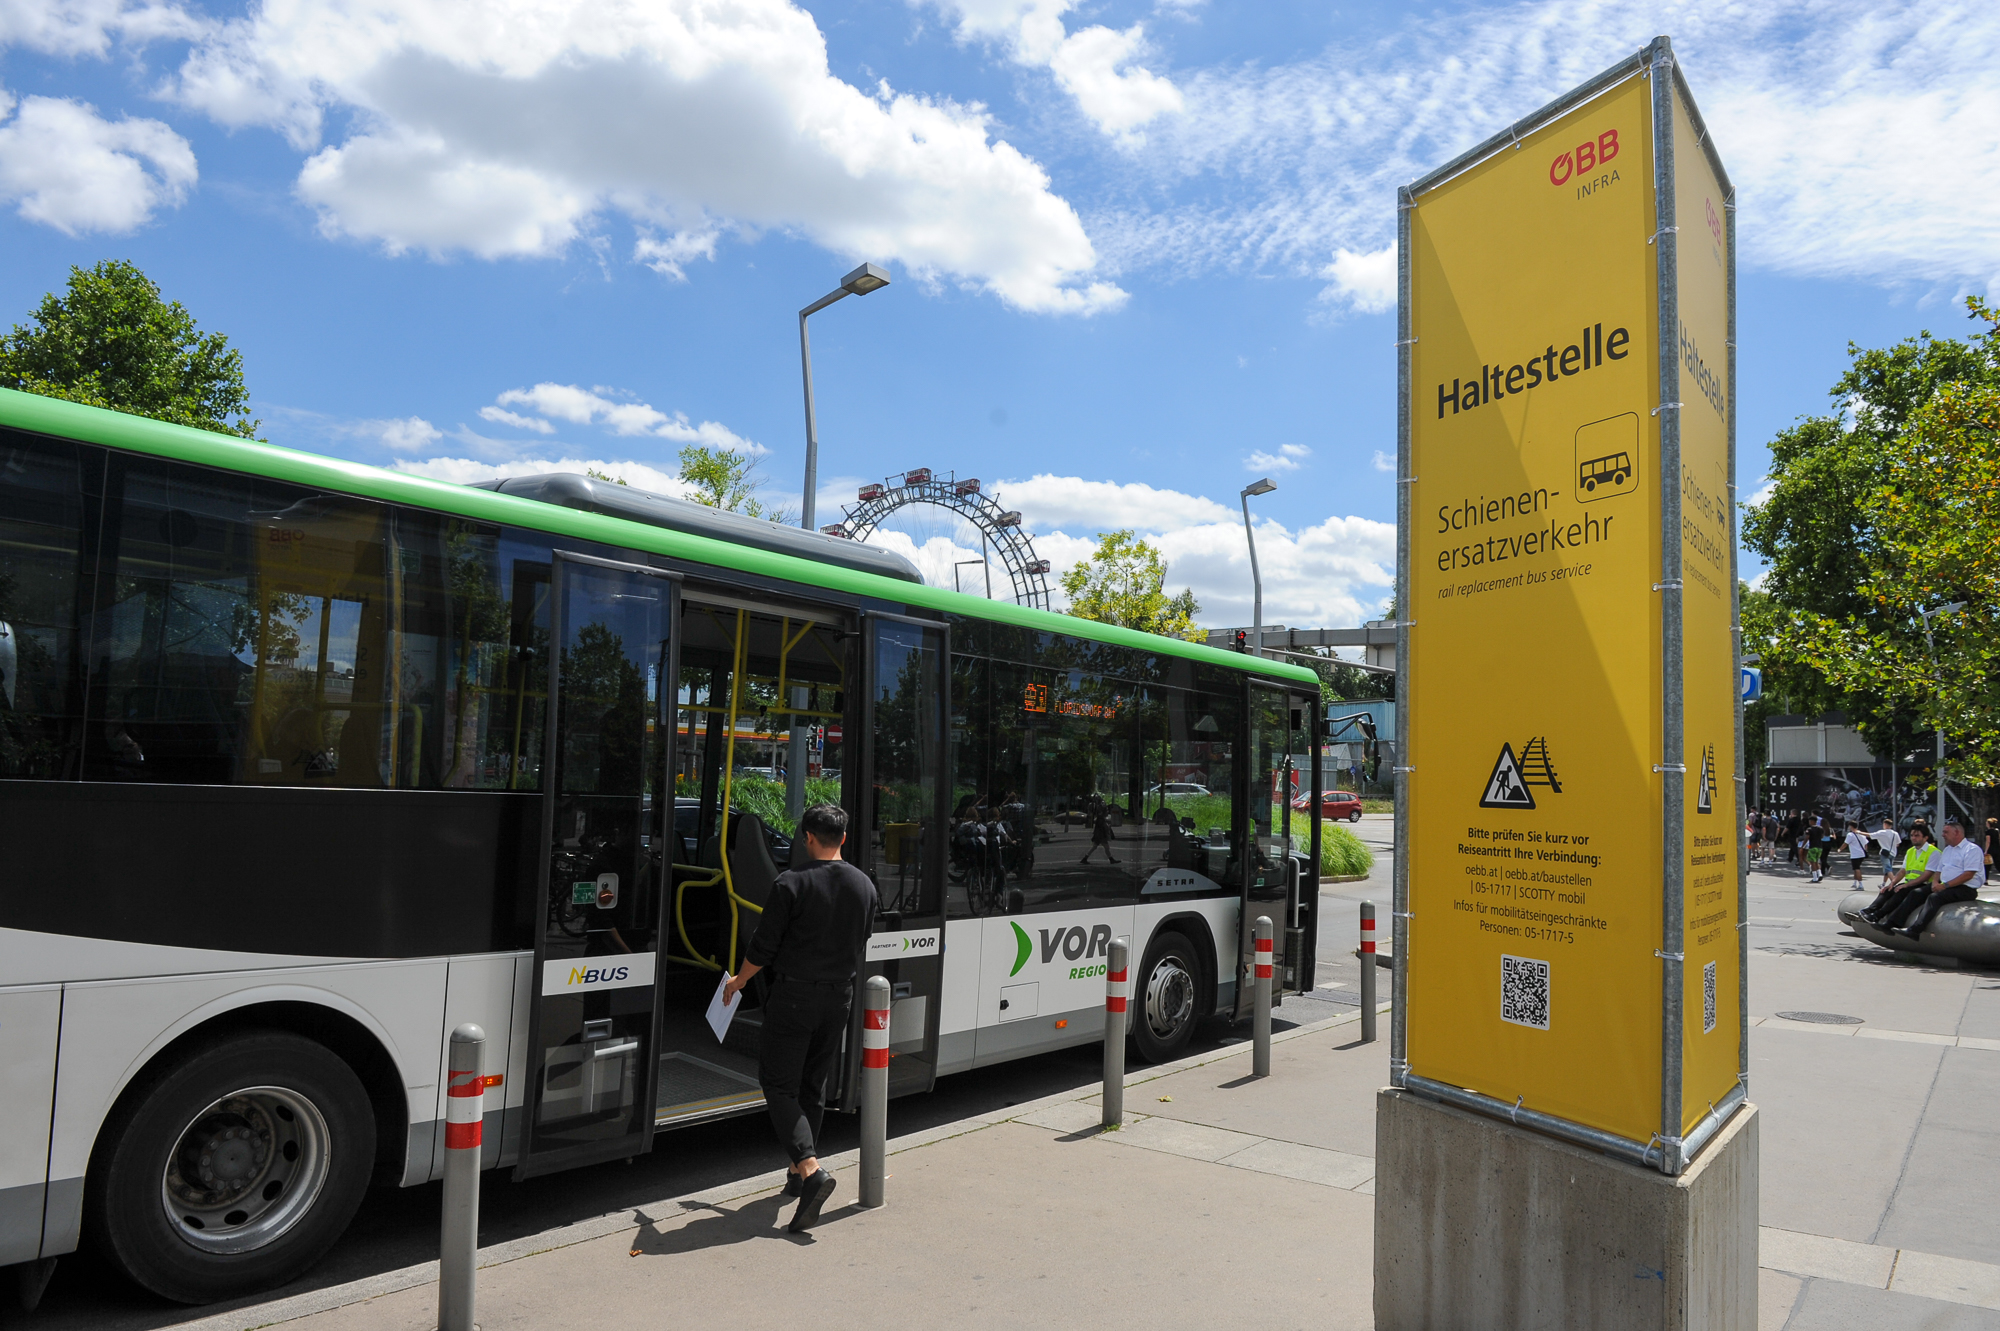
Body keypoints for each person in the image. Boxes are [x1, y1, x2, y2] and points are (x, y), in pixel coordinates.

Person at [721, 802, 878, 1233]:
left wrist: (738, 982)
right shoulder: (865, 886)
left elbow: (763, 947)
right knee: (812, 1084)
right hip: (838, 998)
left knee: (777, 1083)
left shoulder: (790, 883)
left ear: (808, 838)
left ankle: (810, 1170)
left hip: (793, 996)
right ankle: (796, 1175)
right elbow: (860, 941)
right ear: (843, 838)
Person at [1882, 816, 1986, 940]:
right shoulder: (1947, 850)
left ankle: (1915, 930)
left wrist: (1945, 886)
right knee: (1916, 893)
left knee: (1934, 898)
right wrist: (1935, 882)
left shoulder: (1972, 850)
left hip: (1965, 888)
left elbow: (1968, 874)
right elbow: (1939, 870)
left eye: (1946, 832)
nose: (1942, 835)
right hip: (1945, 884)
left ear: (1957, 832)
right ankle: (1892, 923)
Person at [1862, 823, 1934, 924]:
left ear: (1926, 837)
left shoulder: (1933, 852)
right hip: (1910, 883)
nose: (1913, 838)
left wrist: (1906, 885)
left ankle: (1878, 915)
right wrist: (1892, 883)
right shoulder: (1910, 851)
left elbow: (1927, 875)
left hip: (1923, 884)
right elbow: (1902, 871)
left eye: (1917, 835)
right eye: (1912, 835)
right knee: (1887, 890)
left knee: (1900, 891)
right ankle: (1868, 910)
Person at [1871, 817, 1902, 888]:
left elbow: (1870, 835)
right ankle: (1883, 884)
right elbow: (1898, 843)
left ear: (1885, 824)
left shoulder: (1882, 832)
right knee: (1887, 869)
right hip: (1893, 853)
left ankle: (1894, 883)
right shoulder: (1895, 833)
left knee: (1888, 869)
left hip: (1885, 853)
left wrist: (1859, 832)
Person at [1844, 822, 1871, 886]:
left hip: (1855, 854)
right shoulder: (1861, 833)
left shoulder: (1850, 835)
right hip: (1862, 854)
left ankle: (1861, 884)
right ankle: (1855, 882)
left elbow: (1845, 843)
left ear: (1851, 826)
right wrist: (1865, 850)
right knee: (1855, 868)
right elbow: (1866, 844)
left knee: (1857, 869)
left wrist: (1840, 849)